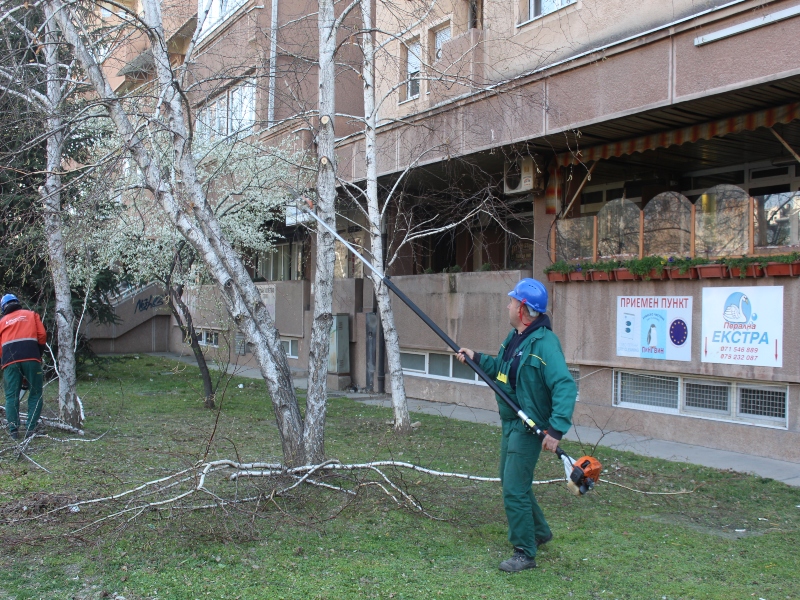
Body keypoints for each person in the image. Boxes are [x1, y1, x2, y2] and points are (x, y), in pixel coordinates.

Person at [457, 278, 576, 573]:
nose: (507, 304)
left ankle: (524, 551)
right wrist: (476, 359)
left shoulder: (545, 344)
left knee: (514, 487)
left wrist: (556, 429)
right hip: (511, 422)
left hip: (530, 427)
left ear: (523, 309)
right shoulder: (515, 337)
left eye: (512, 301)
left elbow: (565, 386)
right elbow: (501, 369)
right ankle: (540, 531)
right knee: (510, 479)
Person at [0, 294, 46, 441]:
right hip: (31, 358)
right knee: (35, 392)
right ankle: (30, 429)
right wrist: (37, 355)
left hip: (9, 361)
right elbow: (42, 335)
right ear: (18, 303)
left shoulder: (1, 322)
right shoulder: (32, 315)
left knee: (11, 396)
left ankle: (13, 430)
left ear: (3, 308)